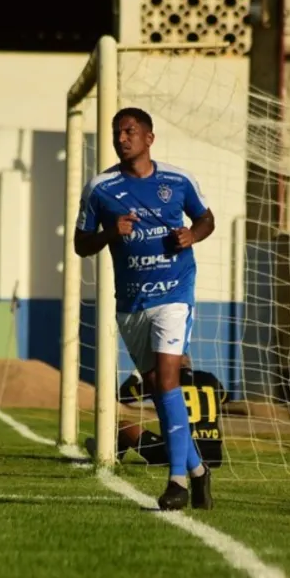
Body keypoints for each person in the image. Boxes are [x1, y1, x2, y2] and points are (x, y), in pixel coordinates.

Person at [73, 107, 216, 511]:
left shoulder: (177, 179)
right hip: (131, 302)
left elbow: (206, 219)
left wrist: (192, 235)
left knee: (168, 377)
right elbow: (80, 244)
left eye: (130, 131)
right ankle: (199, 472)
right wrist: (107, 233)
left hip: (174, 293)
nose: (122, 138)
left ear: (149, 137)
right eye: (118, 132)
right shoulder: (100, 188)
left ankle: (176, 483)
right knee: (155, 385)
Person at [111, 355, 227, 468]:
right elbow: (224, 401)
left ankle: (110, 458)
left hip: (176, 453)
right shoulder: (211, 379)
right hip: (214, 455)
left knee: (123, 426)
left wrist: (137, 375)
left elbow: (122, 396)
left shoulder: (163, 380)